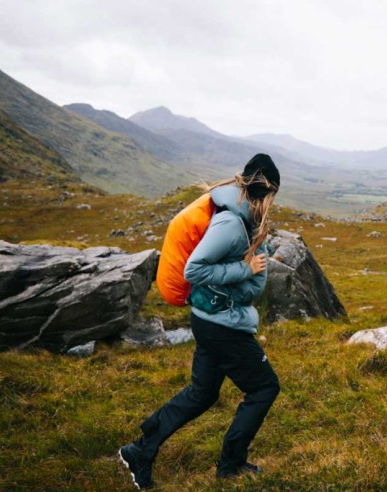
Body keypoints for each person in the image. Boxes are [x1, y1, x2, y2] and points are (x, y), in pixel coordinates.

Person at [119, 154, 282, 489]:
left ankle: (140, 450)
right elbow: (194, 269)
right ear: (264, 192)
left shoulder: (236, 215)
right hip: (221, 325)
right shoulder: (229, 224)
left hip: (211, 319)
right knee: (264, 387)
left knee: (202, 393)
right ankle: (231, 464)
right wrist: (245, 270)